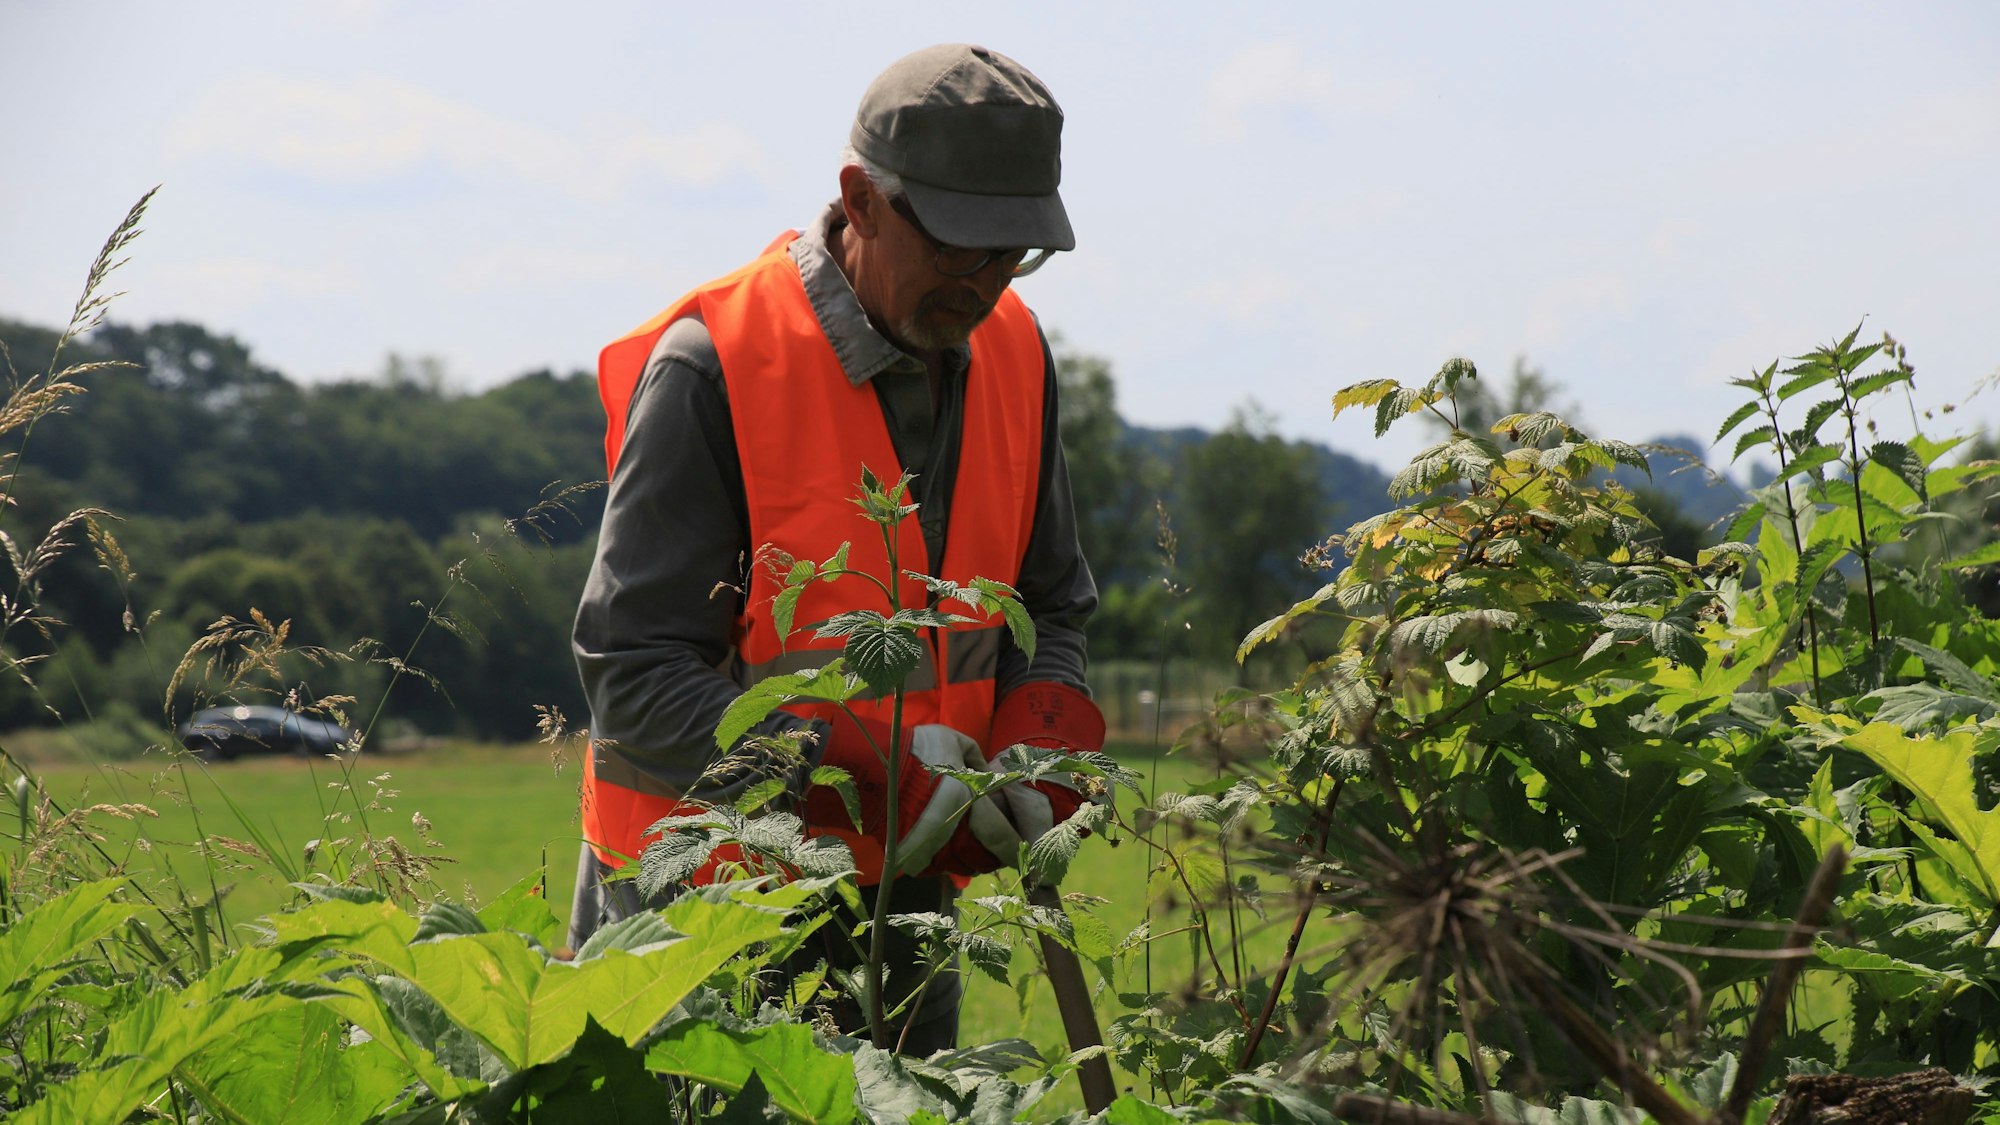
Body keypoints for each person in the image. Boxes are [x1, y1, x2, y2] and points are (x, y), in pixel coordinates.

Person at [569, 43, 1103, 1055]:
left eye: (1014, 253)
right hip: (700, 917)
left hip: (903, 909)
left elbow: (1053, 604)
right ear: (859, 200)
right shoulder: (713, 367)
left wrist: (1043, 722)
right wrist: (850, 763)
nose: (985, 284)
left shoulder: (1015, 352)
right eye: (958, 247)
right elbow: (631, 675)